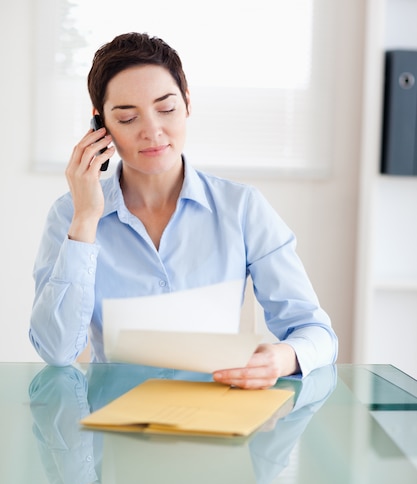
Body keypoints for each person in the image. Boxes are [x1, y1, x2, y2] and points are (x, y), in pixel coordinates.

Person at [29, 32, 338, 389]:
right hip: (112, 429)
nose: (153, 131)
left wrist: (281, 359)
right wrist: (85, 219)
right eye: (128, 118)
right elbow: (56, 350)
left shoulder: (241, 208)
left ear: (187, 103)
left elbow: (317, 333)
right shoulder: (70, 214)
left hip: (215, 418)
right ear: (101, 127)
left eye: (166, 109)